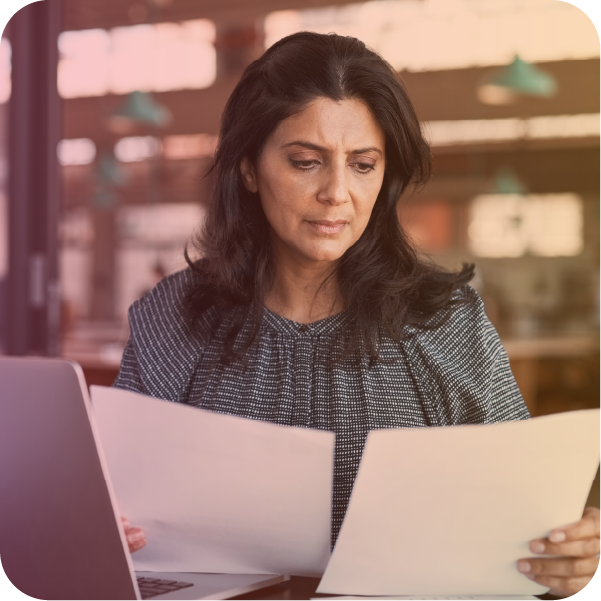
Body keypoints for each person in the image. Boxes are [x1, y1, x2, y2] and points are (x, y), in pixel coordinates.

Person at [113, 32, 601, 598]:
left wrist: (567, 561)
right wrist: (104, 531)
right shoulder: (169, 321)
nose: (337, 193)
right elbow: (113, 510)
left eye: (363, 165)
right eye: (305, 162)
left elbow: (529, 523)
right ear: (248, 168)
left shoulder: (447, 324)